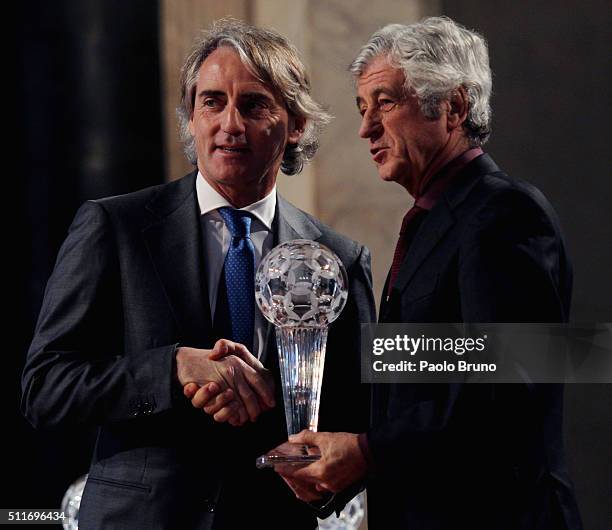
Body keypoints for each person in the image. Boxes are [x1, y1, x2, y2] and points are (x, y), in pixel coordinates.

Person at [21, 19, 375, 530]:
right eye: (212, 102)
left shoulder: (338, 257)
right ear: (190, 117)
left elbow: (359, 420)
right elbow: (45, 387)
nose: (230, 124)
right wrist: (174, 369)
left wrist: (310, 458)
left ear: (295, 123)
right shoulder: (115, 228)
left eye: (253, 105)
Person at [275, 17, 583, 529]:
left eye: (386, 102)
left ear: (455, 107)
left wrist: (367, 450)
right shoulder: (432, 223)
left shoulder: (505, 215)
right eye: (361, 108)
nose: (365, 128)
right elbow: (430, 382)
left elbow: (507, 389)